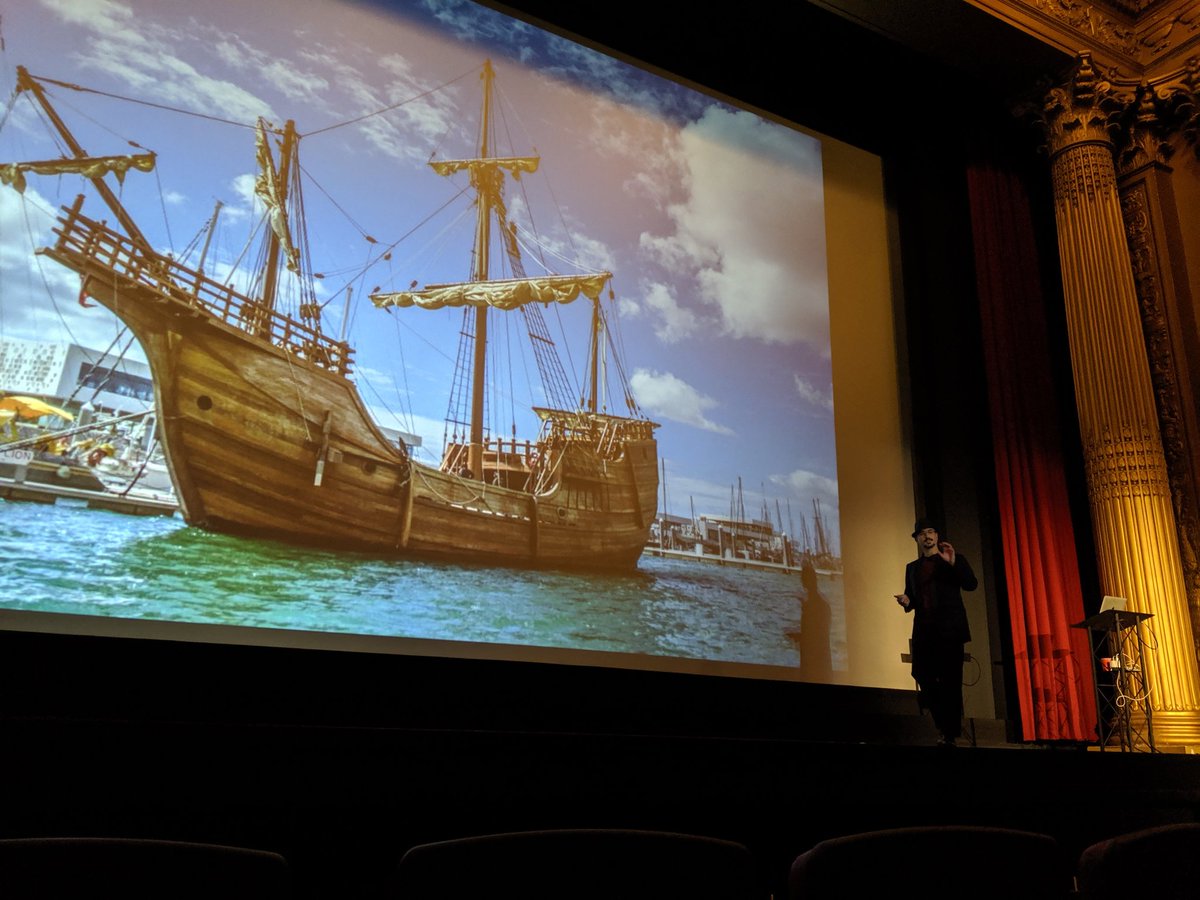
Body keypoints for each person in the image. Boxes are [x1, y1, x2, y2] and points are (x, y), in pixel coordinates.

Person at [894, 518, 977, 747]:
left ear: (937, 536)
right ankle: (945, 725)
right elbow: (912, 597)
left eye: (931, 532)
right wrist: (907, 600)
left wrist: (952, 563)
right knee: (921, 674)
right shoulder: (912, 568)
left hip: (950, 632)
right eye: (922, 533)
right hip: (924, 631)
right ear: (917, 539)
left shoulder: (953, 560)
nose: (927, 536)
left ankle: (948, 734)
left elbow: (971, 584)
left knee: (951, 682)